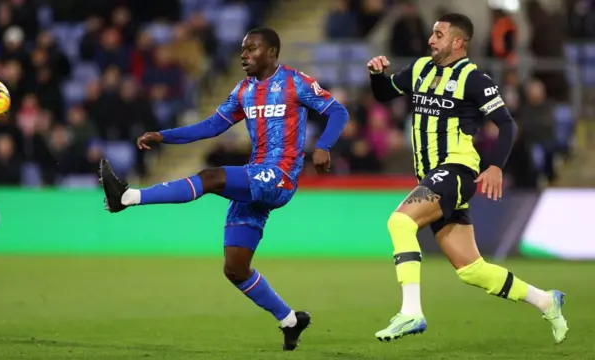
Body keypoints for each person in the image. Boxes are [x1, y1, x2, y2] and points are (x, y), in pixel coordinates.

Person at [99, 27, 349, 351]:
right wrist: (164, 135)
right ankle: (290, 320)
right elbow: (212, 126)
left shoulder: (294, 82)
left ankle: (127, 197)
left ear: (272, 52)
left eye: (252, 49)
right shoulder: (244, 90)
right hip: (255, 177)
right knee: (235, 268)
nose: (244, 55)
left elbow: (337, 111)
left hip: (280, 177)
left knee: (212, 177)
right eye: (243, 49)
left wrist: (325, 145)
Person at [366, 13, 568, 343]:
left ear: (458, 42)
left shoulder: (474, 79)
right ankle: (547, 300)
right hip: (433, 176)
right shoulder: (419, 69)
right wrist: (377, 75)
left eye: (439, 34)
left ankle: (411, 312)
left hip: (456, 170)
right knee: (472, 269)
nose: (431, 39)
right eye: (432, 33)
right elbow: (386, 93)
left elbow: (507, 124)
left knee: (400, 223)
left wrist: (495, 166)